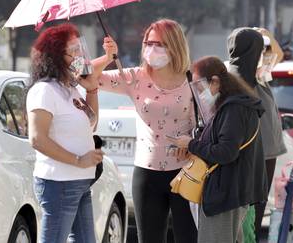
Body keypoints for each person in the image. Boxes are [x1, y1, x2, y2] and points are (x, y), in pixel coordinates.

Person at [92, 19, 197, 243]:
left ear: (175, 46)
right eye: (148, 43)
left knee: (188, 238)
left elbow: (208, 125)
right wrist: (107, 57)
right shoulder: (136, 77)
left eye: (159, 44)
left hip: (186, 172)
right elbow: (84, 77)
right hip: (147, 174)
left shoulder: (193, 80)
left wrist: (192, 143)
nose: (151, 49)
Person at [169, 56, 267, 243]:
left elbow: (226, 152)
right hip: (231, 192)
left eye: (200, 86)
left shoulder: (234, 109)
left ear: (215, 81)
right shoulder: (233, 105)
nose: (199, 92)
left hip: (225, 194)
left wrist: (190, 144)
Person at [27, 23, 103, 243]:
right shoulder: (44, 90)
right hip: (59, 182)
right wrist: (78, 160)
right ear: (57, 56)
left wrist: (91, 89)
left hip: (79, 181)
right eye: (74, 50)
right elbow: (37, 139)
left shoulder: (69, 88)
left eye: (81, 48)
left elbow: (92, 123)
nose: (81, 55)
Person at [252, 27, 288, 242]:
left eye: (265, 49)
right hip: (252, 145)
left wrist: (268, 35)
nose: (264, 53)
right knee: (251, 199)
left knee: (260, 198)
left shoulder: (262, 71)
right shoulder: (238, 72)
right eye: (259, 48)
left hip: (269, 147)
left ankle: (252, 235)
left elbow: (280, 55)